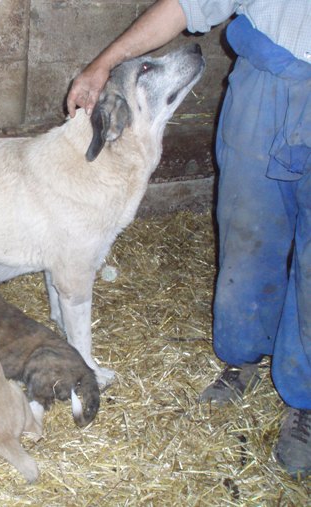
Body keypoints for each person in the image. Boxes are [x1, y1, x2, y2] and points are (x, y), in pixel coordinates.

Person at [67, 0, 309, 476]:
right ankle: (242, 358)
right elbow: (188, 3)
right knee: (246, 238)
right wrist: (103, 64)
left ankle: (306, 400)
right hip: (265, 83)